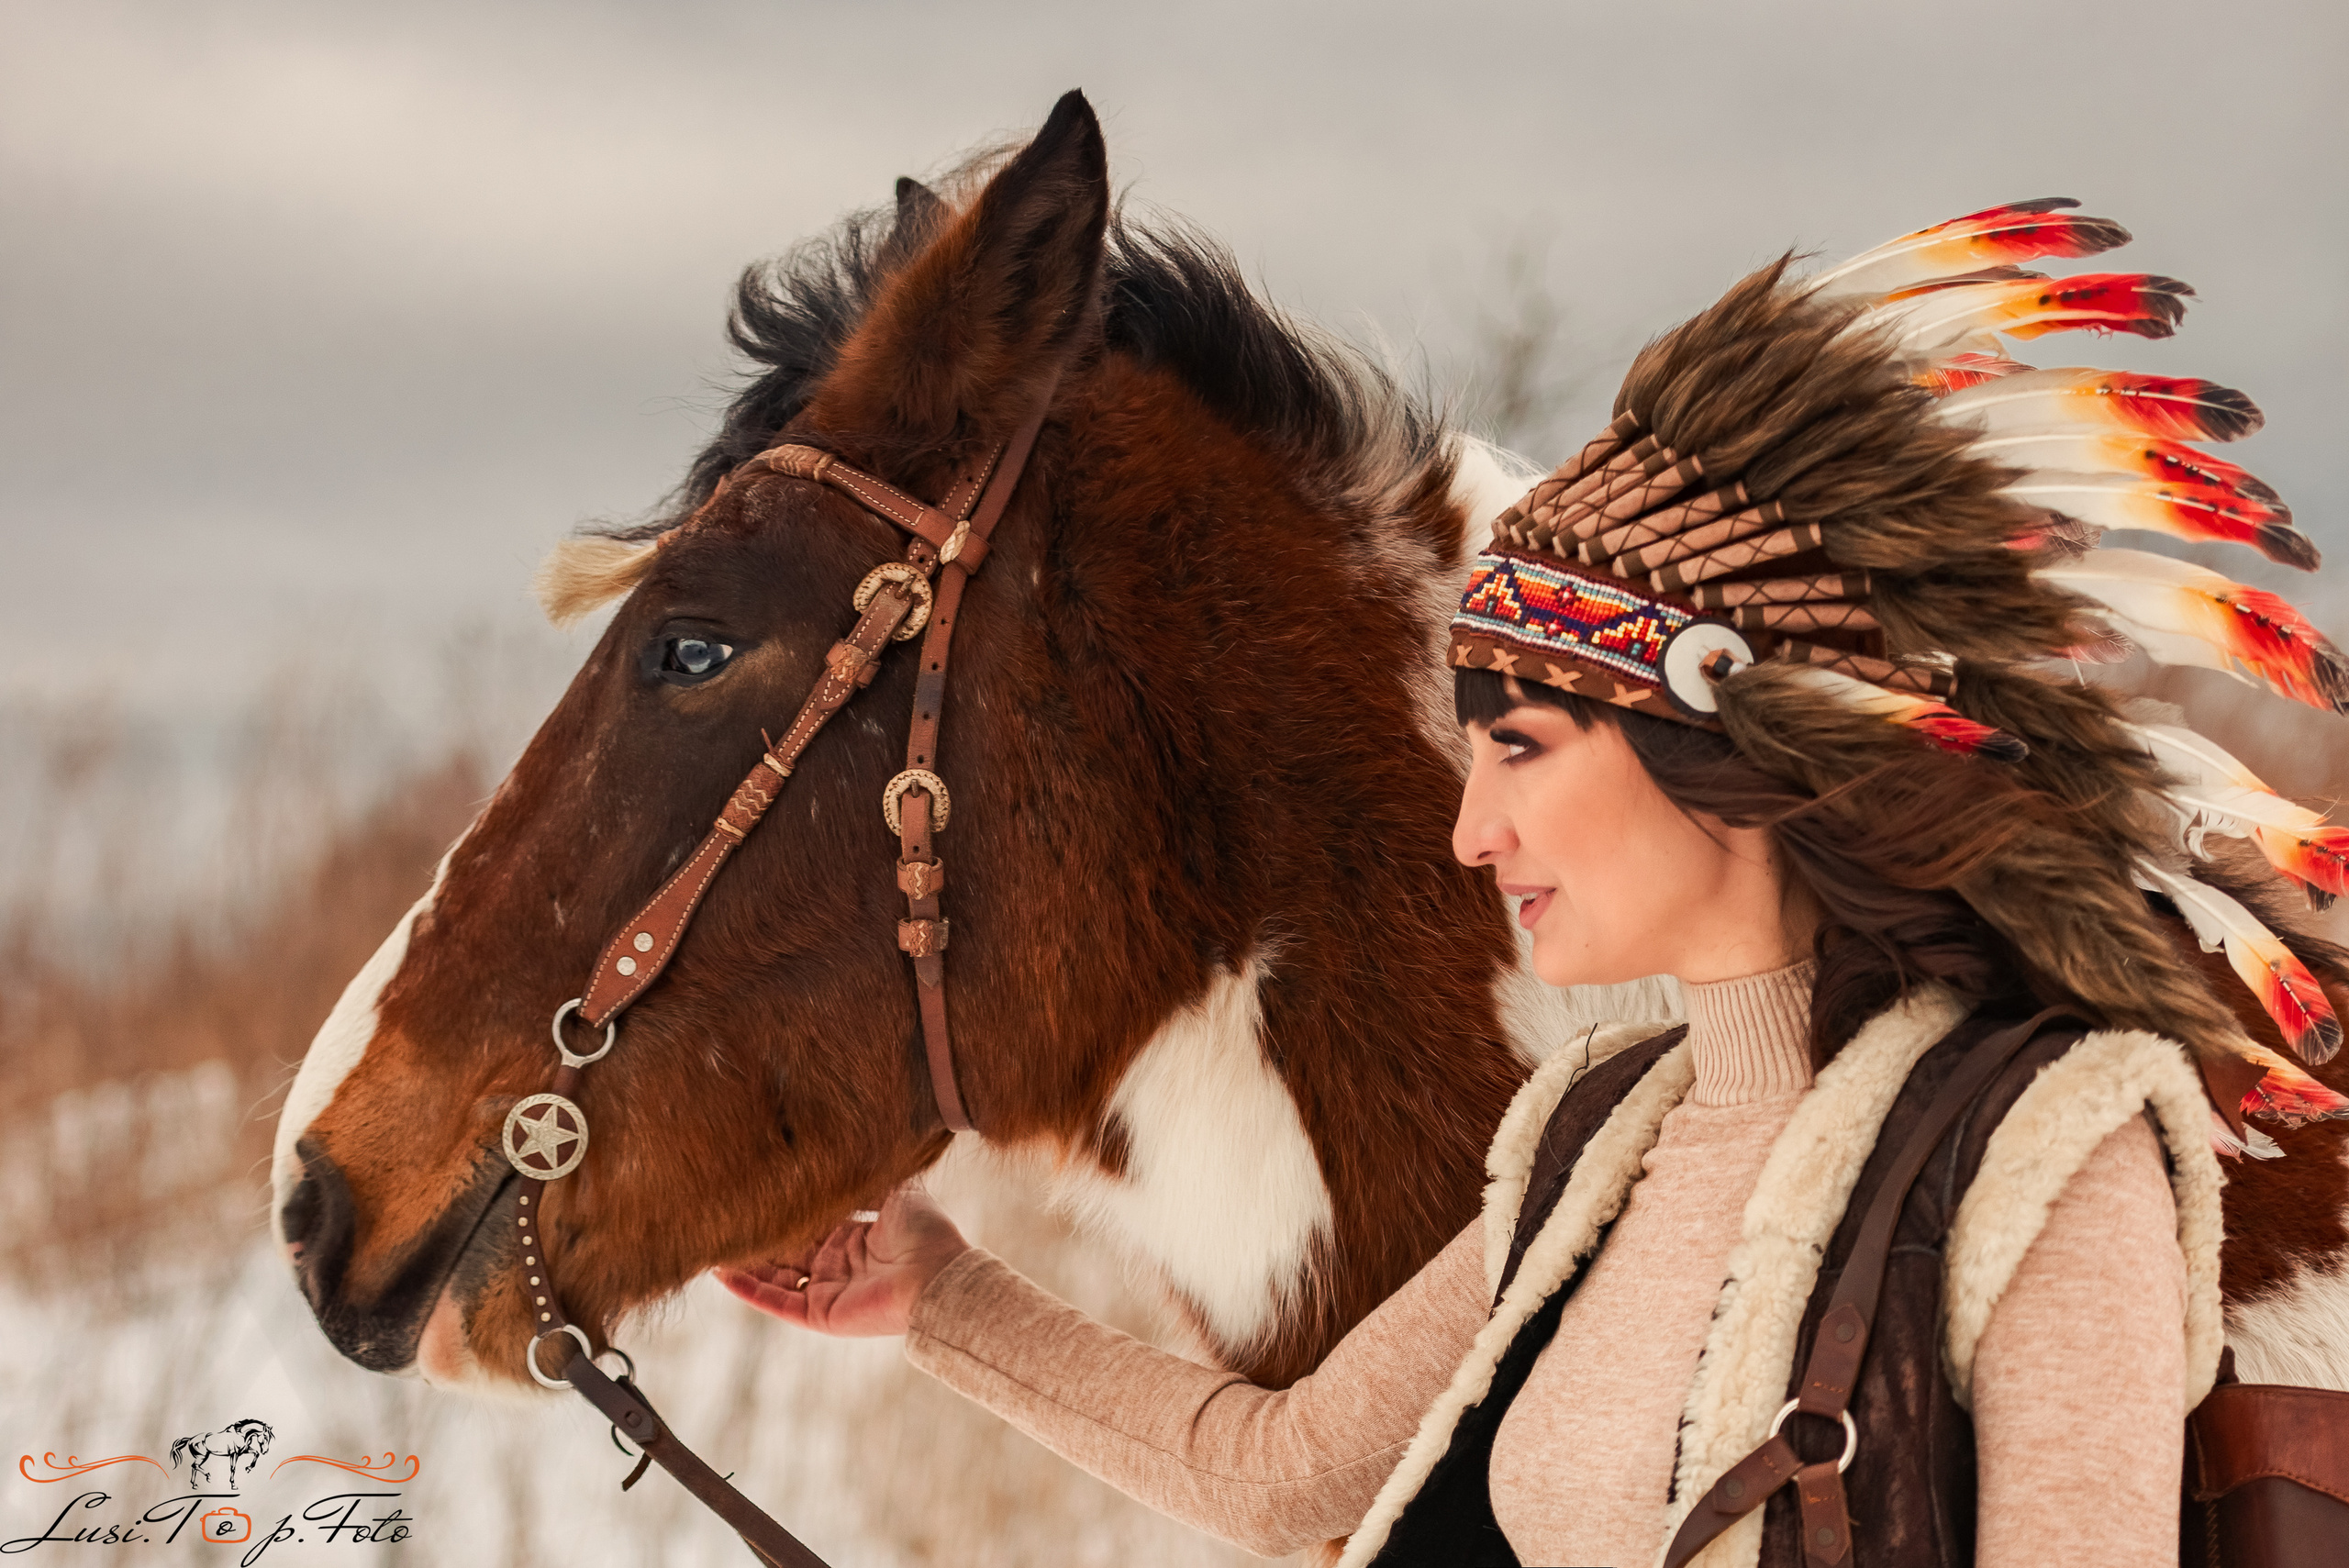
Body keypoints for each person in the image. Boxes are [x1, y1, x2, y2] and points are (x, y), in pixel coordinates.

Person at [721, 206, 2343, 1566]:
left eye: (1528, 749)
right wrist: (936, 1296)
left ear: (1716, 747)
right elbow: (1295, 1472)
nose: (1473, 829)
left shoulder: (2044, 1146)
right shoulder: (1601, 1130)